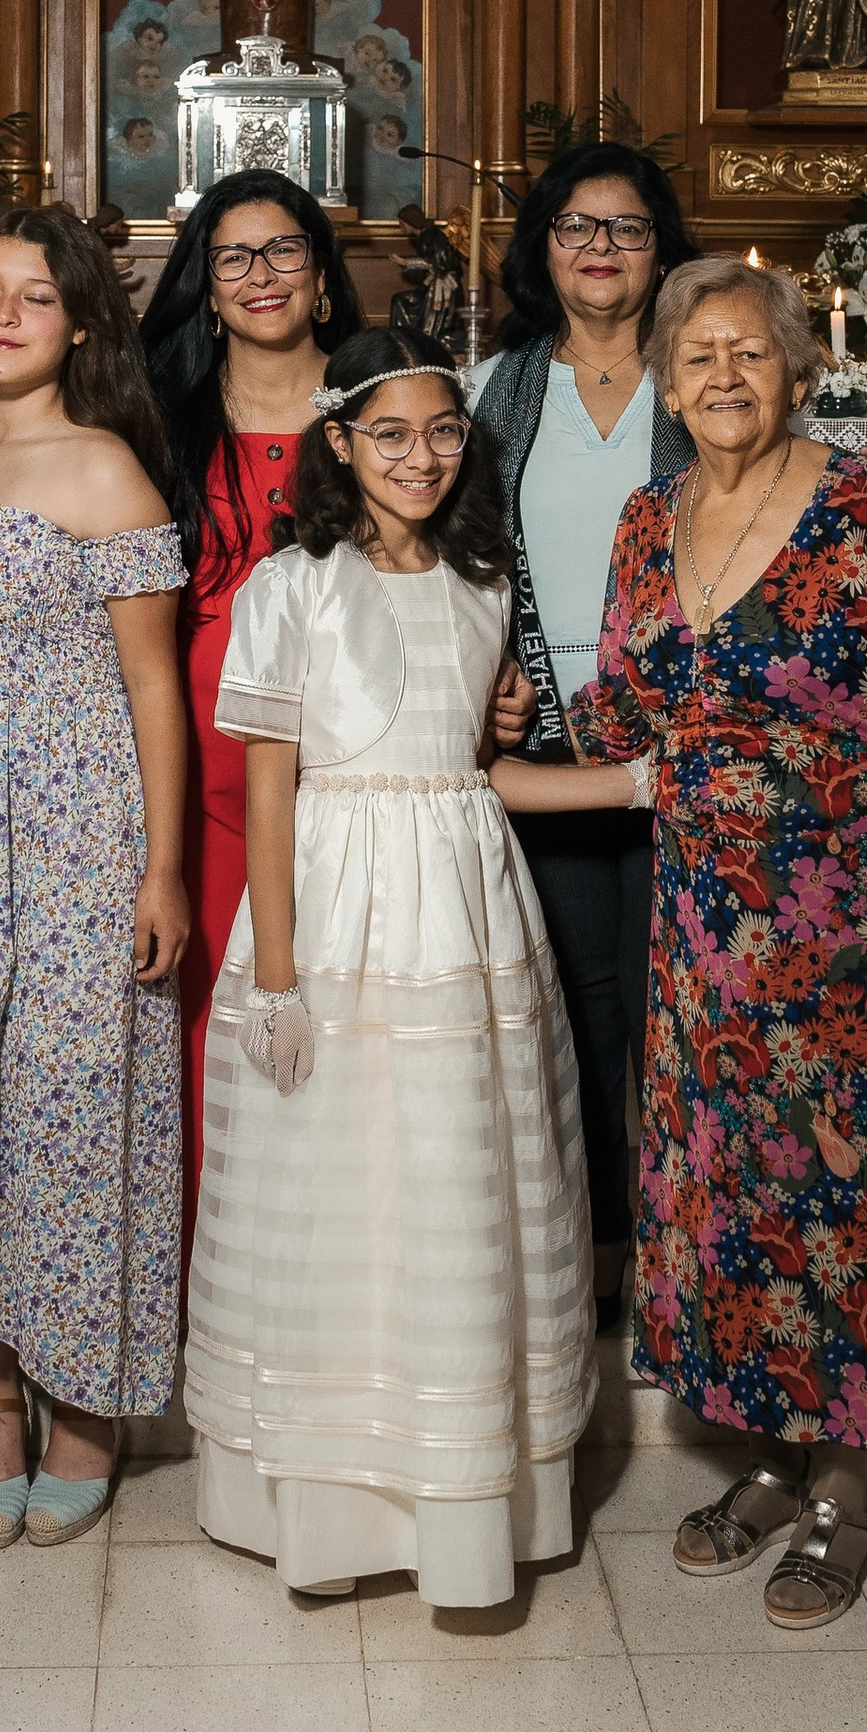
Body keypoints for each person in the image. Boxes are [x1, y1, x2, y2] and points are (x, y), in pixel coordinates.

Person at [556, 253, 867, 1628]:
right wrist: (477, 707)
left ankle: (849, 1491)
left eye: (750, 352)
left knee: (851, 1201)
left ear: (798, 370)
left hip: (855, 928)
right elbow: (627, 706)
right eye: (699, 358)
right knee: (736, 1201)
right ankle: (762, 1459)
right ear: (669, 387)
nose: (725, 376)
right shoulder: (651, 518)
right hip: (706, 929)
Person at [185, 333, 597, 1607]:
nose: (420, 457)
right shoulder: (291, 584)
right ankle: (325, 1505)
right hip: (337, 907)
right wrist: (279, 975)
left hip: (463, 912)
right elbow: (266, 794)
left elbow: (474, 761)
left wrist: (602, 765)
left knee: (452, 1174)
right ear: (340, 443)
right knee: (339, 1186)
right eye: (390, 435)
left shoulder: (482, 580)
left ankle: (461, 1498)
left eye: (442, 432)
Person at [0, 204, 191, 1546]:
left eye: (37, 295)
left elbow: (156, 688)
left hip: (84, 837)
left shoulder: (107, 472)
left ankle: (90, 1401)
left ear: (81, 324)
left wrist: (165, 872)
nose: (7, 312)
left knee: (82, 1116)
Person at [472, 140, 698, 1327]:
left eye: (626, 227)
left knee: (684, 998)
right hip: (551, 741)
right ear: (542, 248)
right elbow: (459, 558)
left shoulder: (705, 373)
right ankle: (604, 1242)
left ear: (664, 250)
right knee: (581, 1000)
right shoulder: (499, 390)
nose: (601, 249)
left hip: (687, 741)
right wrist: (488, 671)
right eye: (575, 226)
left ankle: (687, 1243)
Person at [139, 170, 361, 1237]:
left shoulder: (380, 408)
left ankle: (323, 1268)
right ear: (206, 287)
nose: (260, 275)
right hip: (200, 774)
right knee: (212, 1030)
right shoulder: (159, 420)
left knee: (345, 1018)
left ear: (320, 276)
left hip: (351, 771)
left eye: (283, 252)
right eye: (233, 257)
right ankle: (209, 1274)